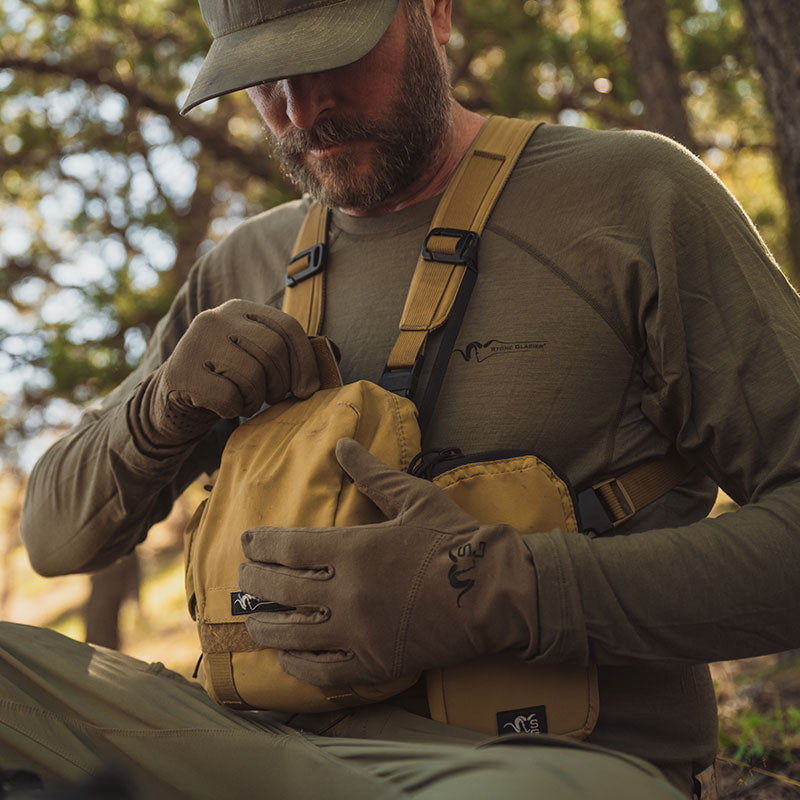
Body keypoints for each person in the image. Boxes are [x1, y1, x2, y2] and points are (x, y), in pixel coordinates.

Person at [8, 0, 800, 796]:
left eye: (330, 55)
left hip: (533, 771)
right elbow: (54, 539)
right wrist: (158, 410)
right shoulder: (243, 264)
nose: (300, 107)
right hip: (252, 751)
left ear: (435, 12)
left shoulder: (634, 198)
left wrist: (508, 591)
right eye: (261, 77)